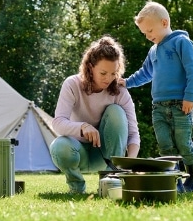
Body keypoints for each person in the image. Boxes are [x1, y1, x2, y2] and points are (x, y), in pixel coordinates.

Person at [121, 1, 193, 193]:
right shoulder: (153, 51)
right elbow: (145, 73)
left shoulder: (181, 42)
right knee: (165, 146)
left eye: (149, 31)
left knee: (184, 143)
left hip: (181, 105)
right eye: (144, 33)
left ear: (164, 23)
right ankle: (175, 183)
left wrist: (189, 97)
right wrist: (126, 82)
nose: (148, 36)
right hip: (158, 107)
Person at [51, 36, 140, 194]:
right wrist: (83, 127)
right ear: (90, 67)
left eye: (113, 73)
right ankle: (77, 187)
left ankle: (110, 180)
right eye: (103, 73)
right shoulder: (72, 84)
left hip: (107, 156)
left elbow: (133, 133)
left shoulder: (120, 92)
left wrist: (128, 163)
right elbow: (58, 122)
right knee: (59, 145)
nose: (109, 79)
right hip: (77, 152)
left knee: (116, 111)